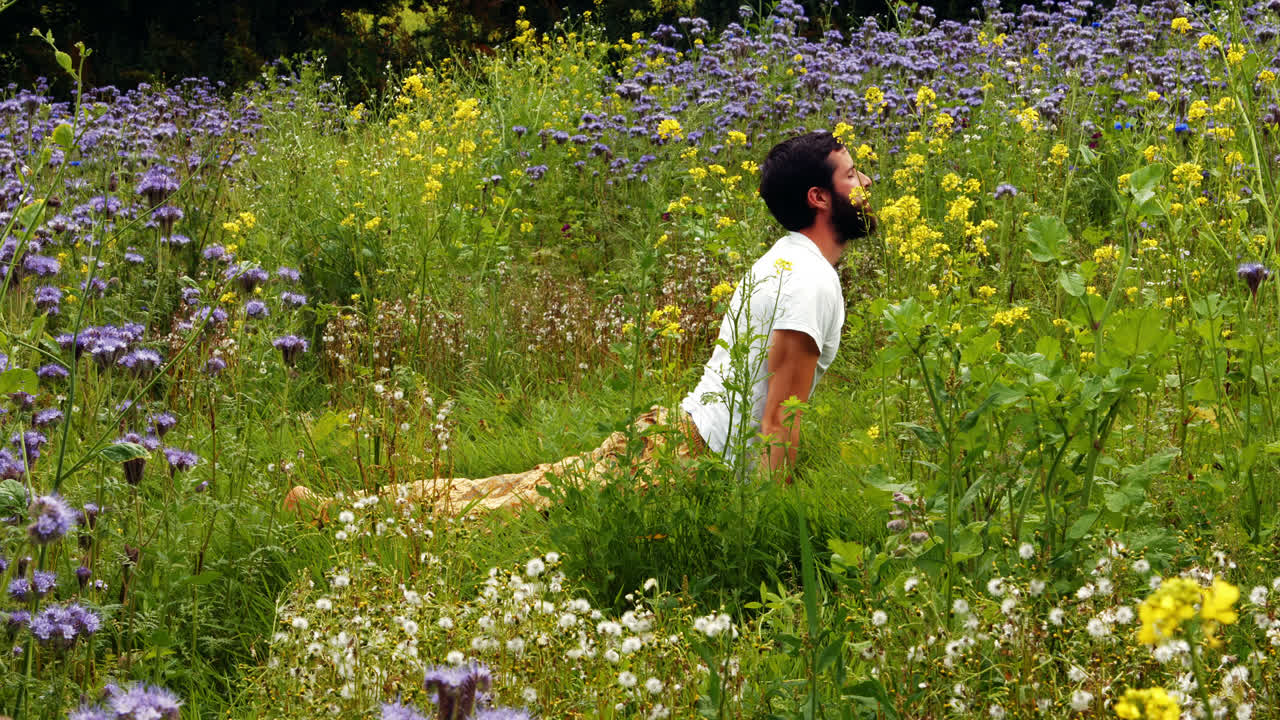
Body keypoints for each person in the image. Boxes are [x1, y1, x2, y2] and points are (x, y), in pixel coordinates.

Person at [283, 130, 873, 520]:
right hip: (690, 461)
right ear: (819, 197)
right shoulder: (810, 281)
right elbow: (778, 421)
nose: (866, 184)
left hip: (679, 436)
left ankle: (344, 506)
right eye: (852, 175)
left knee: (516, 491)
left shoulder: (786, 259)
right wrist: (766, 530)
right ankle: (337, 514)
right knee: (510, 513)